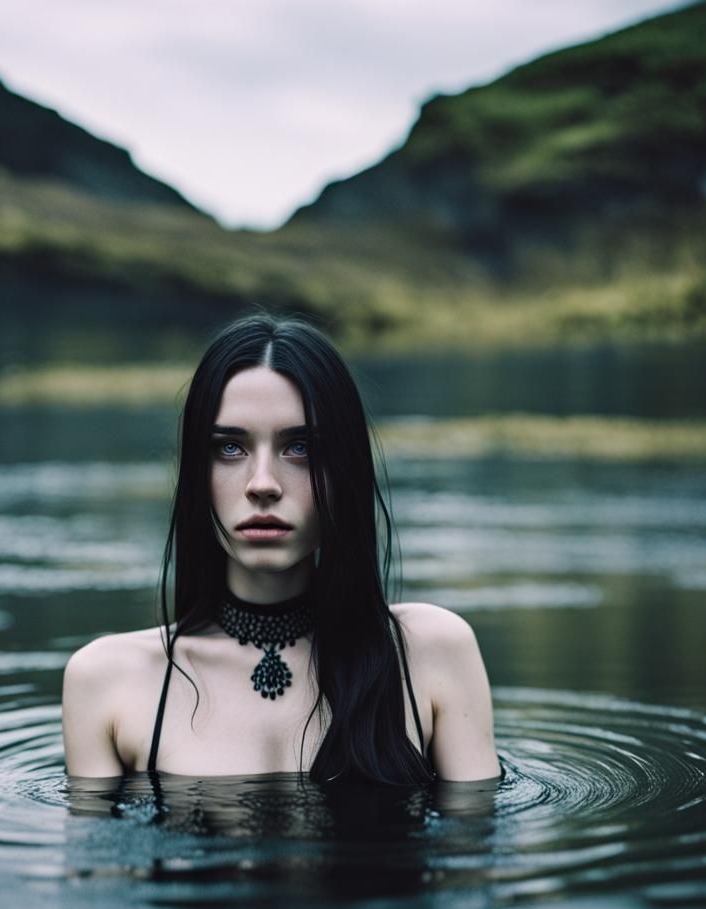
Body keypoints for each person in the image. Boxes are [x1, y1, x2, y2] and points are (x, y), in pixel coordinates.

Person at [62, 313, 501, 785]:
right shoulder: (107, 680)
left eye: (301, 448)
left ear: (344, 471)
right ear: (196, 473)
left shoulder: (432, 653)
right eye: (230, 448)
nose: (263, 484)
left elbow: (474, 850)